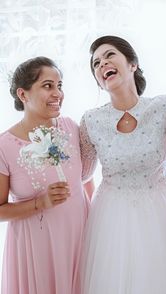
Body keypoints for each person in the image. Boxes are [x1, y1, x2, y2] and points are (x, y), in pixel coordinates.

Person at [79, 35, 166, 294]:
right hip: (109, 219)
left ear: (132, 64)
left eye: (109, 55)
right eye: (96, 64)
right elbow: (83, 175)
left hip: (161, 214)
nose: (101, 64)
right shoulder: (91, 121)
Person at [0, 56, 91, 294]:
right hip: (36, 248)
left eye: (59, 86)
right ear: (23, 95)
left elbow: (86, 179)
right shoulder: (4, 146)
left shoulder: (71, 127)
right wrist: (41, 203)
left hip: (80, 238)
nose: (58, 94)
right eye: (48, 86)